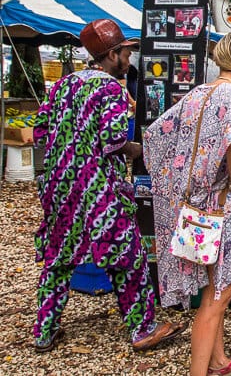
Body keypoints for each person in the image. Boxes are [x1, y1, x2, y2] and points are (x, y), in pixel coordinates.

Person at [32, 18, 186, 354]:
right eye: (125, 54)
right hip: (100, 190)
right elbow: (114, 140)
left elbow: (39, 130)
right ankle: (143, 328)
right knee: (128, 257)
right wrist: (137, 149)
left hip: (60, 189)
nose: (129, 61)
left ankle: (44, 330)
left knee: (58, 259)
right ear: (111, 54)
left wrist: (68, 151)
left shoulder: (63, 86)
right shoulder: (111, 90)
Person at [143, 33, 231, 376]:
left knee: (213, 288)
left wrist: (180, 182)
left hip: (198, 206)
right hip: (227, 207)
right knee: (218, 297)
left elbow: (155, 134)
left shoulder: (198, 93)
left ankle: (219, 361)